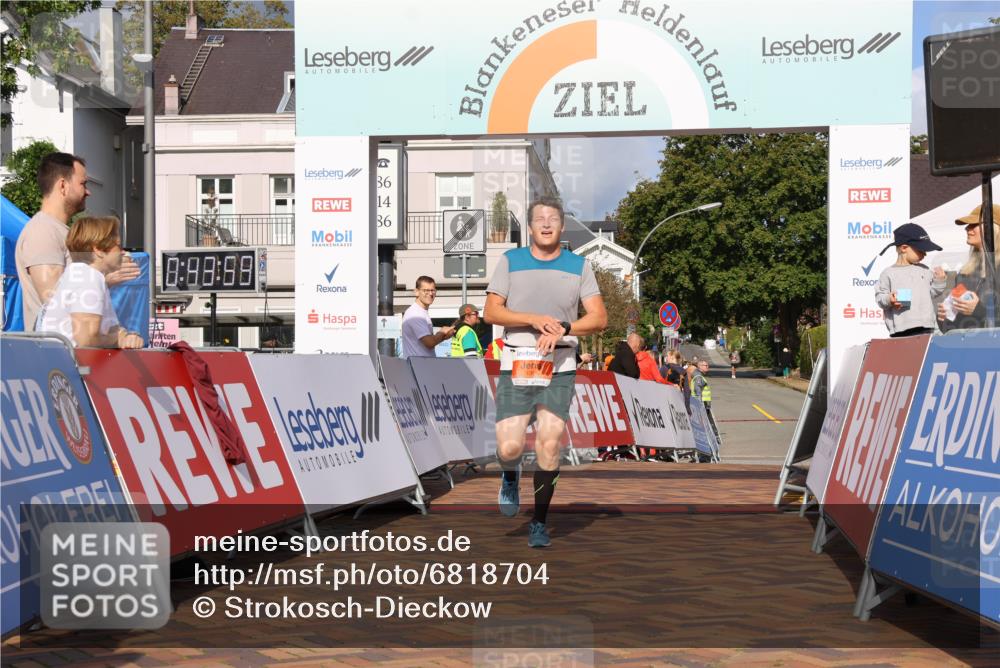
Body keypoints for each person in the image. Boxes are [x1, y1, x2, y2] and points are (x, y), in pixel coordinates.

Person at [484, 196, 607, 548]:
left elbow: (599, 318)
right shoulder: (511, 261)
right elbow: (491, 312)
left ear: (562, 226)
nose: (547, 223)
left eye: (553, 218)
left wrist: (566, 328)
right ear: (530, 226)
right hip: (517, 364)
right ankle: (510, 475)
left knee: (549, 445)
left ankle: (539, 522)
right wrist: (533, 319)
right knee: (509, 447)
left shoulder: (579, 265)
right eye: (540, 218)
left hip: (560, 366)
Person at [15, 152, 139, 331]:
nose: (88, 192)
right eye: (83, 184)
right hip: (58, 346)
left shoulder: (60, 231)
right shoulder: (42, 232)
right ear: (63, 186)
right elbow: (53, 300)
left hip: (76, 343)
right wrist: (104, 280)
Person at [35, 216, 144, 349]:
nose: (123, 252)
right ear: (98, 250)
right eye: (118, 245)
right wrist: (119, 340)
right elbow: (86, 339)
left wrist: (123, 335)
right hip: (70, 361)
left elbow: (107, 330)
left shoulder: (79, 274)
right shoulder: (89, 278)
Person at [874, 222, 946, 337]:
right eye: (921, 250)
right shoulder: (888, 273)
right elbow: (880, 297)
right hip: (901, 330)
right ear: (904, 248)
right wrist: (889, 299)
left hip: (927, 326)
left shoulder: (925, 270)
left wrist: (939, 281)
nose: (925, 254)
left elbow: (931, 293)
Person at [938, 204, 1000, 332]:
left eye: (974, 224)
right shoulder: (965, 273)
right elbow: (950, 328)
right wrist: (945, 317)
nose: (967, 228)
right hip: (967, 343)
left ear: (993, 229)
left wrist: (978, 310)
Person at [401, 276, 455, 358]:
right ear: (416, 292)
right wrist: (442, 332)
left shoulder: (421, 312)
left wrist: (443, 337)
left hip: (421, 364)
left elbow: (430, 343)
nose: (430, 294)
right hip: (417, 364)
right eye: (426, 290)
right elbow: (429, 343)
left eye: (433, 290)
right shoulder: (415, 314)